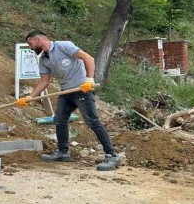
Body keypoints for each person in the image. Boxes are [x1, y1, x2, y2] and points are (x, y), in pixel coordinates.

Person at [17, 31, 123, 171]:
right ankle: (63, 152)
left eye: (30, 43)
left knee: (93, 121)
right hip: (66, 92)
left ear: (39, 39)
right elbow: (44, 81)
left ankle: (111, 155)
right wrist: (31, 96)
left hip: (82, 89)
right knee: (59, 120)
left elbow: (88, 58)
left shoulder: (63, 46)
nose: (30, 47)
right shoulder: (44, 59)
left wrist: (89, 80)